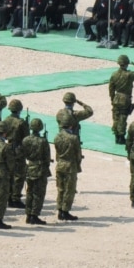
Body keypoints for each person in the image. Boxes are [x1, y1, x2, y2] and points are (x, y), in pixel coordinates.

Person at [53, 92, 92, 221]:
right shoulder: (75, 116)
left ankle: (60, 210)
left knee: (61, 188)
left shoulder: (59, 114)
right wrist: (80, 102)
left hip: (61, 159)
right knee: (69, 189)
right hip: (70, 162)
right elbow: (89, 111)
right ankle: (65, 211)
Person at [108, 55, 134, 145]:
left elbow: (111, 88)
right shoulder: (129, 74)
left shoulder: (114, 74)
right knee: (122, 118)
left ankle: (116, 135)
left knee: (116, 118)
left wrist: (113, 99)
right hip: (125, 98)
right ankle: (121, 137)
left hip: (117, 98)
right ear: (127, 64)